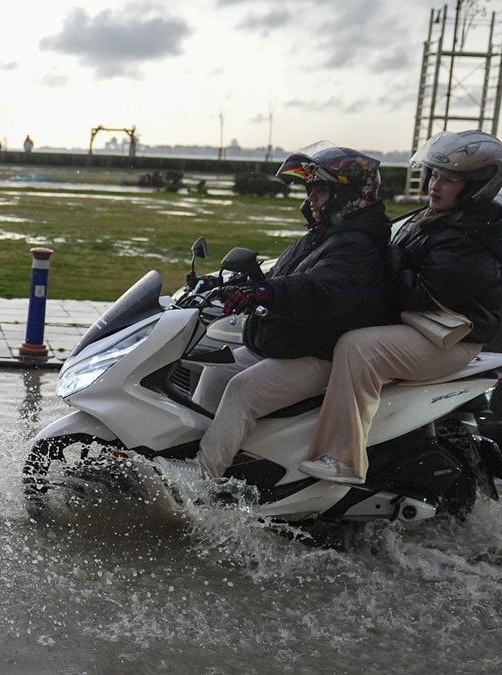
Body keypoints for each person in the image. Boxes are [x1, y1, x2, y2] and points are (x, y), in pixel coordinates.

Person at [153, 142, 391, 481]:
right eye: (310, 190)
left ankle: (204, 475)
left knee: (243, 390)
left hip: (319, 353)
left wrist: (265, 292)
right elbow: (286, 276)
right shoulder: (325, 235)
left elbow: (322, 290)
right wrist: (233, 283)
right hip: (291, 343)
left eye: (319, 190)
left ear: (347, 195)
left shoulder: (358, 246)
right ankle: (203, 454)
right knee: (216, 373)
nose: (310, 199)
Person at [299, 130, 502, 484]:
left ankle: (343, 459)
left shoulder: (471, 237)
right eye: (433, 175)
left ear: (475, 186)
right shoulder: (436, 218)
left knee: (357, 349)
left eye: (449, 179)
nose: (434, 184)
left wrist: (386, 252)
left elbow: (418, 294)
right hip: (422, 327)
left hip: (451, 338)